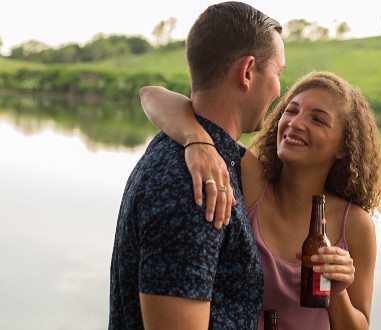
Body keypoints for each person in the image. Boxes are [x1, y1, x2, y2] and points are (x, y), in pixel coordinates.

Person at [140, 71, 381, 329]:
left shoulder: (355, 224)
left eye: (318, 119)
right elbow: (152, 95)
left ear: (343, 147)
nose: (295, 123)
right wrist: (197, 142)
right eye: (291, 111)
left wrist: (337, 292)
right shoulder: (251, 179)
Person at [109, 2, 286, 329]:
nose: (279, 88)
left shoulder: (203, 152)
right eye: (278, 72)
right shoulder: (196, 184)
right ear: (248, 72)